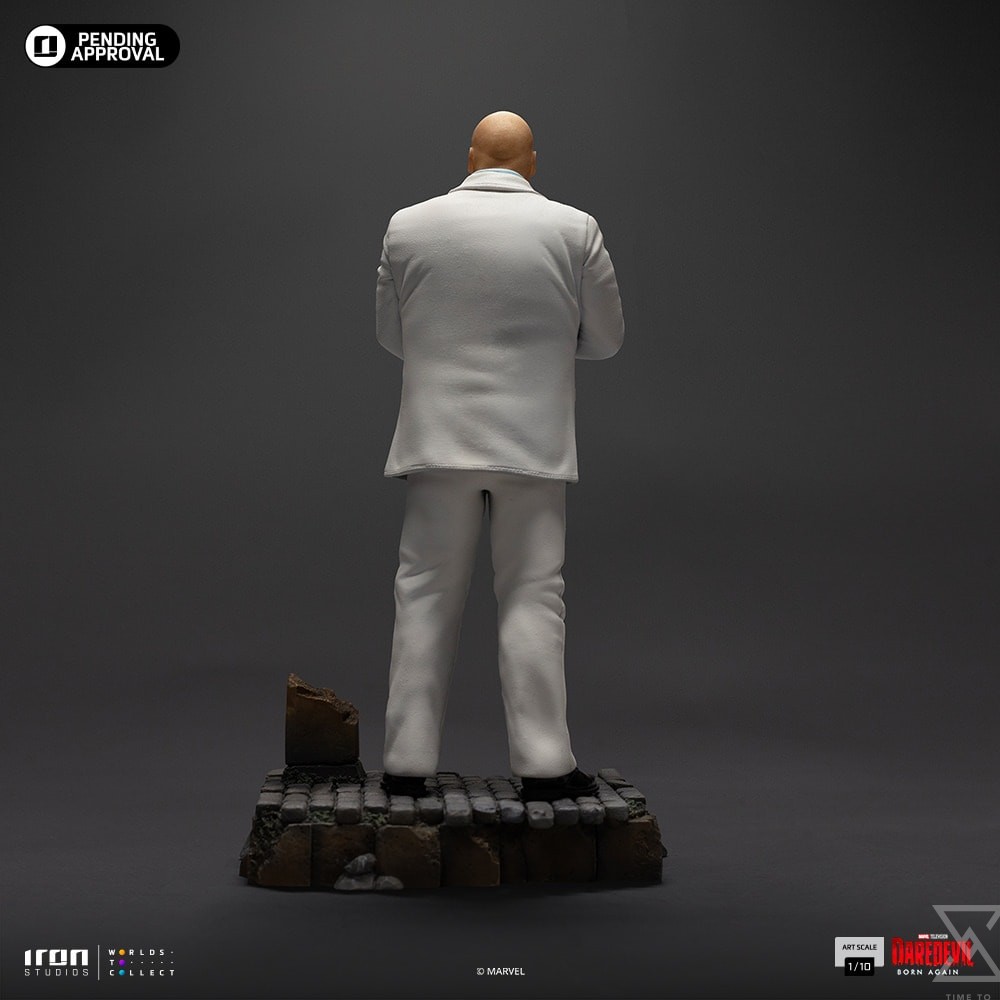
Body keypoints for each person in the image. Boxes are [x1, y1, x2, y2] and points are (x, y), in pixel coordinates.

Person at [375, 111, 624, 802]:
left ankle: (405, 762)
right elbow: (606, 339)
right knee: (534, 596)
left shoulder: (407, 225)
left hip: (438, 441)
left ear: (470, 158)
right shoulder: (574, 228)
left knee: (423, 593)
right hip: (532, 444)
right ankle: (545, 764)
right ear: (532, 163)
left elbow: (394, 336)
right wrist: (547, 348)